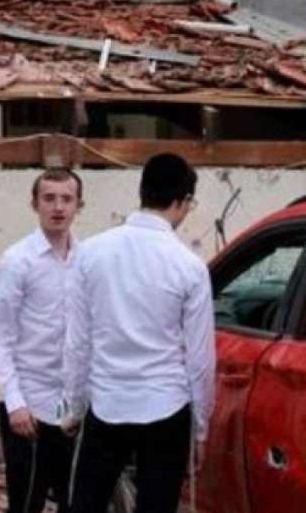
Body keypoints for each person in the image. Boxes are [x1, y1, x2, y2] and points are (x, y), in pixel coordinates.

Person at [62, 153, 216, 513]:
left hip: (106, 402)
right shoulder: (189, 267)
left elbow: (77, 341)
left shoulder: (90, 253)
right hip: (166, 406)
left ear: (142, 192)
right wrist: (201, 428)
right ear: (182, 201)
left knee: (86, 503)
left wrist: (73, 405)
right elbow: (200, 360)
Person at [0, 169, 84, 513]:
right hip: (29, 408)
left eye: (66, 199)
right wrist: (15, 403)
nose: (58, 207)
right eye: (49, 198)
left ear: (79, 206)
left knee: (73, 500)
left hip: (72, 409)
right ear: (34, 204)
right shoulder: (17, 261)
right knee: (27, 502)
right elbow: (0, 339)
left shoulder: (86, 259)